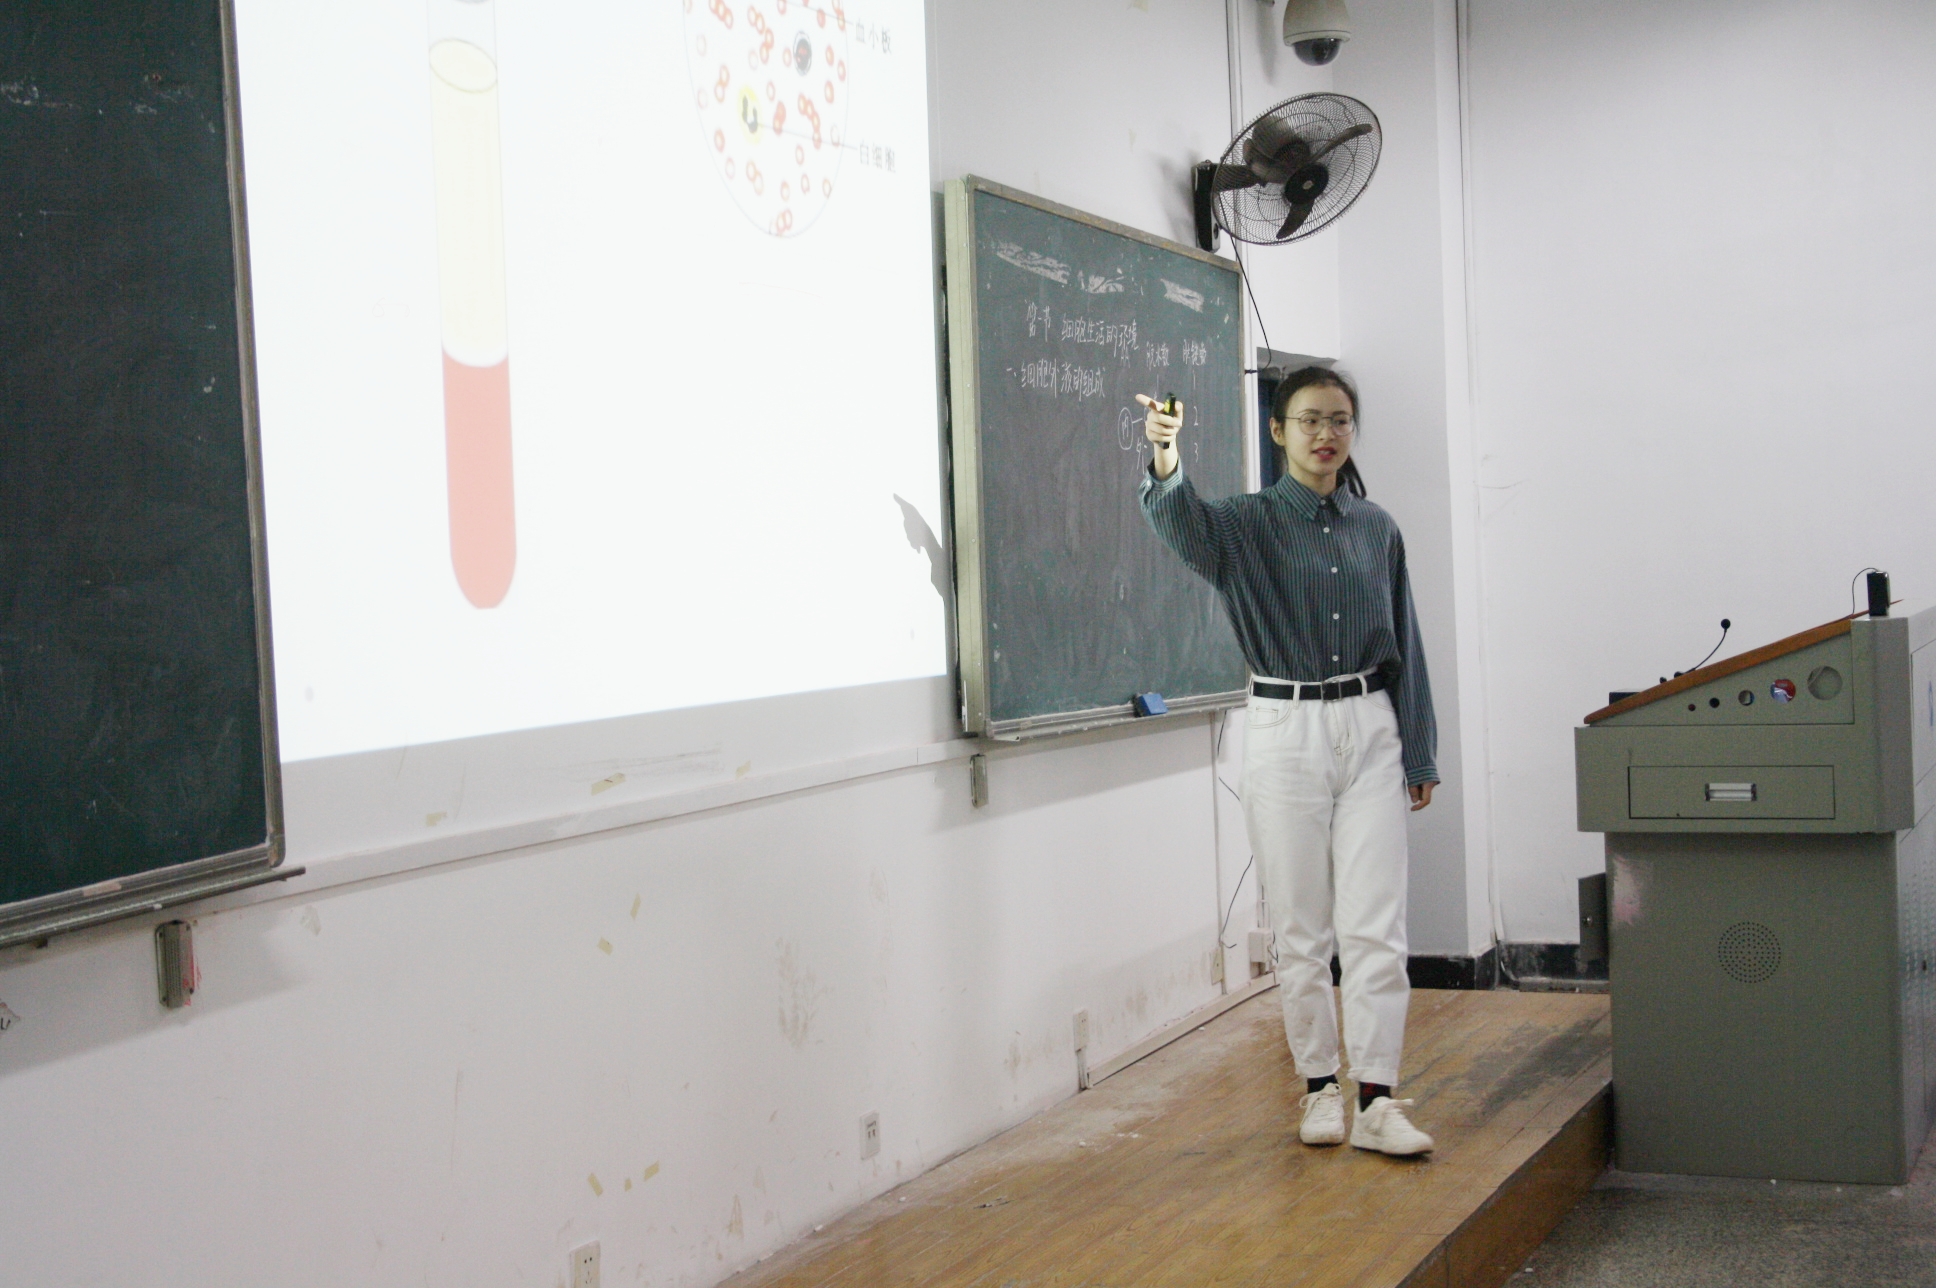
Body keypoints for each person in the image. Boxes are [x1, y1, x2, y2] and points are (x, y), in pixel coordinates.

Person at [1136, 368, 1438, 1157]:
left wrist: (1419, 748)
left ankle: (1378, 1100)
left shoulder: (1377, 528)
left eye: (1338, 420)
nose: (1324, 435)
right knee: (1301, 928)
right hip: (1284, 725)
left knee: (1377, 927)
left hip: (1369, 724)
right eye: (1308, 420)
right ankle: (1319, 1089)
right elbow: (1179, 519)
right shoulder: (1244, 525)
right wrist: (1165, 456)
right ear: (1278, 431)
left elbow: (1405, 641)